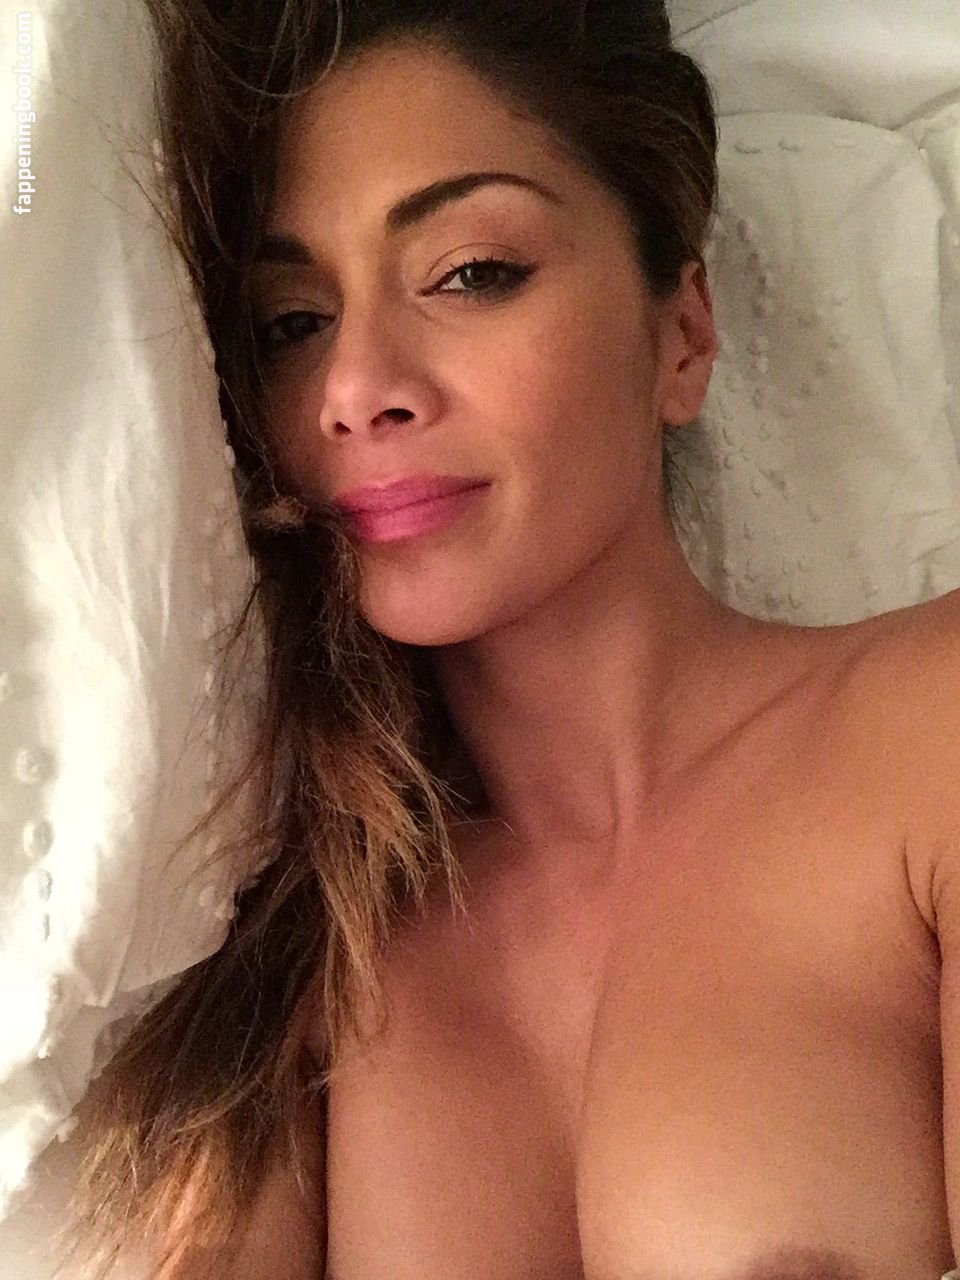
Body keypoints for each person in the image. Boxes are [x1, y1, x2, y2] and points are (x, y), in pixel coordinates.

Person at [59, 2, 960, 1277]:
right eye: (293, 322)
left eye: (471, 271)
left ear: (683, 334)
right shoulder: (306, 957)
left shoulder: (931, 727)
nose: (355, 386)